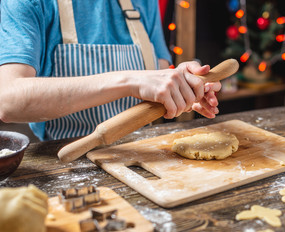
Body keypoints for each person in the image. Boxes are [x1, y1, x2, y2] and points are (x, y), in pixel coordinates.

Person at [0, 0, 221, 141]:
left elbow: (159, 71)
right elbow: (8, 99)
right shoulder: (27, 3)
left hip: (148, 153)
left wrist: (181, 85)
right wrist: (129, 81)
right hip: (70, 164)